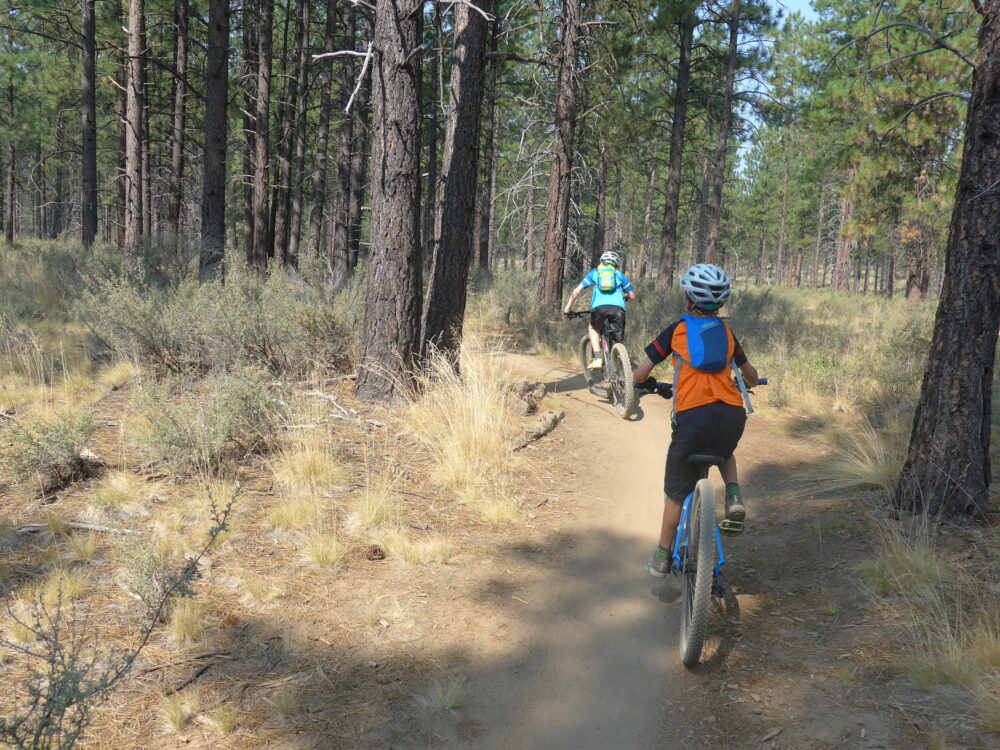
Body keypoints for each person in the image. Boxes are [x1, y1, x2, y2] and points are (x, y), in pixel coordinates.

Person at [631, 263, 758, 577]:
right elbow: (750, 374)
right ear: (721, 304)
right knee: (725, 452)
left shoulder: (677, 330)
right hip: (731, 414)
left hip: (692, 417)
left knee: (676, 492)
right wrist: (752, 383)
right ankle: (733, 494)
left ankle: (661, 556)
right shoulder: (727, 332)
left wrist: (647, 385)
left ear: (689, 300)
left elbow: (640, 373)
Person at [562, 250, 636, 369]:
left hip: (599, 308)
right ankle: (622, 367)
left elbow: (576, 291)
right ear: (616, 264)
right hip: (618, 309)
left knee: (593, 328)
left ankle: (597, 357)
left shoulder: (595, 273)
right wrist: (624, 296)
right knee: (618, 340)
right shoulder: (619, 275)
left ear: (602, 261)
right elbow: (632, 296)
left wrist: (568, 308)